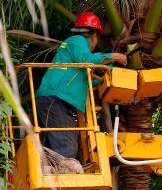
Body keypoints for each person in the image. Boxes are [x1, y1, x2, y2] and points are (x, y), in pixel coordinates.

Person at [35, 12, 127, 161]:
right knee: (66, 148)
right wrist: (114, 56)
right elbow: (87, 59)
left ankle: (53, 177)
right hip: (56, 100)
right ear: (93, 35)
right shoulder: (77, 40)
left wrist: (105, 79)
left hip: (55, 100)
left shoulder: (75, 62)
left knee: (54, 148)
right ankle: (64, 181)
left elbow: (87, 81)